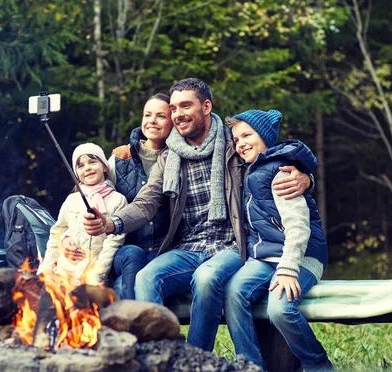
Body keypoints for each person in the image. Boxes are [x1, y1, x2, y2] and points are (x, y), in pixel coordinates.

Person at [83, 78, 311, 352]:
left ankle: (196, 358)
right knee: (146, 277)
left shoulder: (232, 144)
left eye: (186, 106)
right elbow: (146, 202)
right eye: (174, 108)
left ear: (206, 106)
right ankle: (163, 356)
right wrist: (110, 222)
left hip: (232, 245)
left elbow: (272, 158)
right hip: (188, 246)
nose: (178, 114)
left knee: (205, 279)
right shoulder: (170, 157)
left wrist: (306, 176)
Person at [224, 109, 332, 371]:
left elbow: (298, 226)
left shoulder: (281, 172)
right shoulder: (250, 171)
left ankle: (318, 365)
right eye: (236, 139)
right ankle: (251, 366)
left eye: (247, 135)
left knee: (280, 310)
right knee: (233, 293)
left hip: (301, 257)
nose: (241, 144)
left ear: (264, 136)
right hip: (265, 257)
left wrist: (287, 270)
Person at [106, 93, 173, 299]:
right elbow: (95, 198)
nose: (152, 121)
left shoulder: (178, 159)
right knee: (122, 286)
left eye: (161, 116)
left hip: (163, 251)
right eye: (147, 115)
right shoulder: (119, 157)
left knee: (135, 285)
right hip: (126, 252)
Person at [38, 143, 127, 286]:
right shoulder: (72, 199)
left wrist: (97, 275)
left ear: (104, 166)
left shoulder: (118, 200)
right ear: (77, 174)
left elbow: (114, 242)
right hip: (64, 273)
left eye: (92, 162)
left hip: (93, 278)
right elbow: (57, 232)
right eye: (81, 166)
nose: (88, 168)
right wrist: (47, 269)